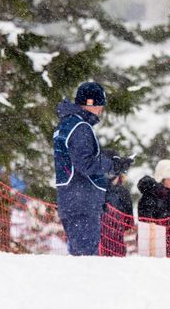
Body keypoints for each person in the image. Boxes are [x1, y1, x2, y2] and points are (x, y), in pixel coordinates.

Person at [53, 81, 133, 255]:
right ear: (91, 103)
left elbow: (77, 159)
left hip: (71, 196)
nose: (101, 109)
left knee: (80, 253)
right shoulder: (80, 127)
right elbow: (85, 163)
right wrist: (113, 164)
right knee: (86, 257)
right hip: (82, 198)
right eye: (100, 104)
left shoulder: (67, 124)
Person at [137, 159, 170, 257]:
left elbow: (169, 220)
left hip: (166, 240)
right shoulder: (151, 195)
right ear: (162, 179)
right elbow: (147, 222)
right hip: (153, 241)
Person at [101, 174, 134, 257]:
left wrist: (129, 224)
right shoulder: (100, 189)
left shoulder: (123, 191)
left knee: (117, 250)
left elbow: (128, 210)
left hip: (118, 227)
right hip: (102, 228)